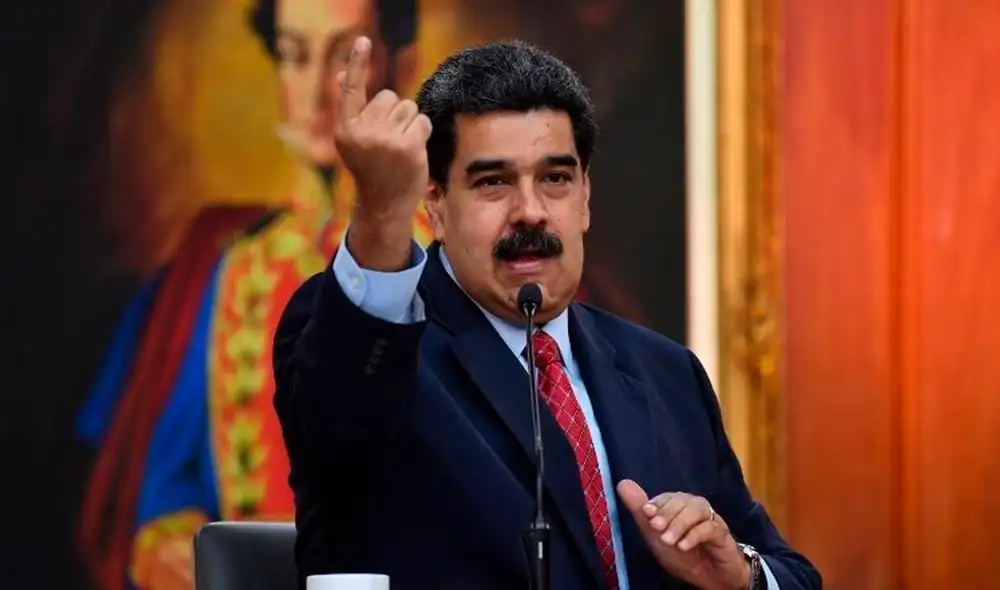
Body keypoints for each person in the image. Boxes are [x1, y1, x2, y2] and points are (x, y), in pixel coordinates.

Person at [274, 37, 821, 590]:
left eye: (555, 179)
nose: (530, 211)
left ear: (585, 195)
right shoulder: (380, 346)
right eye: (494, 183)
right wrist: (381, 212)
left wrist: (744, 576)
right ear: (435, 203)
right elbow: (337, 435)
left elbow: (794, 575)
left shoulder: (667, 374)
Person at [73, 2, 432, 590]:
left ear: (404, 62)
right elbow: (162, 505)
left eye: (346, 55)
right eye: (294, 53)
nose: (318, 89)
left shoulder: (462, 263)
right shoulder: (221, 274)